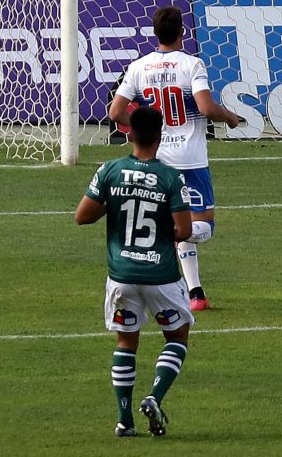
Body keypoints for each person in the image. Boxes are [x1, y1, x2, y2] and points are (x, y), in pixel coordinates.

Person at [109, 6, 239, 311]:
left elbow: (115, 112)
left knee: (178, 220)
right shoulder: (192, 65)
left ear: (155, 34)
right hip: (190, 160)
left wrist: (139, 128)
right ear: (183, 32)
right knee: (202, 227)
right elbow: (206, 108)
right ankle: (162, 235)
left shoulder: (139, 67)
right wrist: (230, 117)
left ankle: (196, 294)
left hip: (157, 158)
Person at [76, 106, 195, 437]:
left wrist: (113, 204)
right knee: (177, 336)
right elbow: (183, 230)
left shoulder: (109, 170)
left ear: (129, 133)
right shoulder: (171, 177)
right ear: (161, 136)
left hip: (122, 276)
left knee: (126, 342)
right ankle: (154, 397)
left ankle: (124, 419)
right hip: (161, 277)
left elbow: (82, 217)